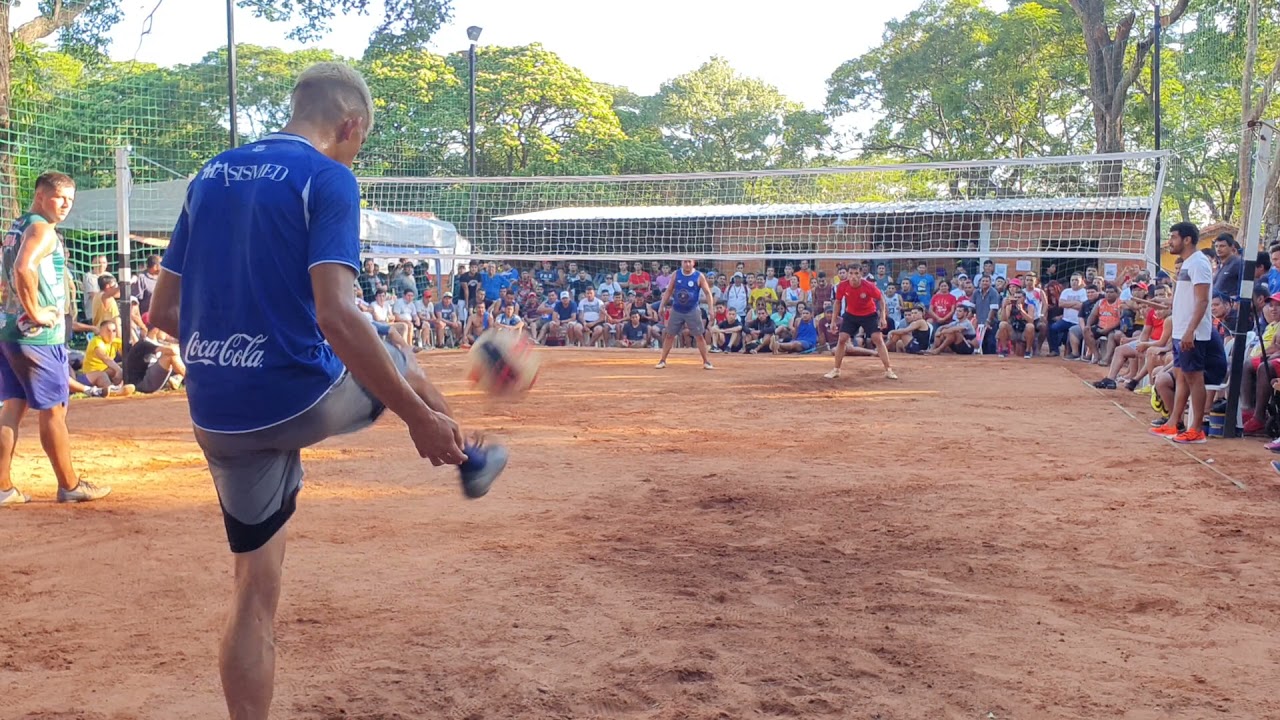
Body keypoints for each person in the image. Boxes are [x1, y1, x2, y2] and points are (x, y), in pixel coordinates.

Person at [147, 62, 507, 720]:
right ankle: (469, 459)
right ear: (351, 124)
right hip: (298, 396)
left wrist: (239, 346)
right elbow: (337, 316)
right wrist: (416, 420)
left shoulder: (209, 177)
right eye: (360, 140)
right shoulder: (328, 178)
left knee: (254, 591)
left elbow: (162, 313)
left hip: (221, 412)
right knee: (396, 352)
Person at [0, 171, 110, 506]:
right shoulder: (41, 229)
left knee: (12, 406)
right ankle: (70, 485)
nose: (66, 205)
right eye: (60, 197)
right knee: (54, 410)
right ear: (41, 195)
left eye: (70, 200)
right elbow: (22, 268)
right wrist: (34, 312)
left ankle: (3, 488)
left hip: (10, 330)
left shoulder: (15, 227)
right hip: (37, 335)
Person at [1152, 221, 1222, 444]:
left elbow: (1202, 301)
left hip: (1191, 332)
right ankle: (1173, 424)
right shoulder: (1189, 263)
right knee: (1182, 377)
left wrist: (1190, 331)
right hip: (1181, 330)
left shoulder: (1199, 263)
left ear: (1187, 239)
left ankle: (1196, 429)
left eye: (1173, 237)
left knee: (1194, 378)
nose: (1170, 242)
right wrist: (1165, 303)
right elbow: (1187, 298)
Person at [824, 265, 897, 380]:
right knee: (842, 339)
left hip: (869, 314)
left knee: (877, 339)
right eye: (851, 273)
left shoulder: (868, 286)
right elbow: (837, 302)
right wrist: (833, 321)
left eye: (857, 273)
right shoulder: (842, 286)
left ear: (861, 274)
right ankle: (836, 370)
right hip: (851, 314)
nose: (854, 276)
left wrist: (882, 317)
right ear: (847, 274)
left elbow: (881, 299)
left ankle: (888, 370)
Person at [654, 258, 715, 370]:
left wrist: (711, 309)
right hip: (677, 309)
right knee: (669, 335)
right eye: (685, 262)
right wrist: (662, 306)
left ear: (693, 263)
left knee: (699, 336)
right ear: (681, 263)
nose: (687, 264)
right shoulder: (676, 274)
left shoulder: (698, 275)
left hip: (692, 310)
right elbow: (668, 291)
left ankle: (706, 361)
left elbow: (707, 292)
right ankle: (662, 360)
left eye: (689, 262)